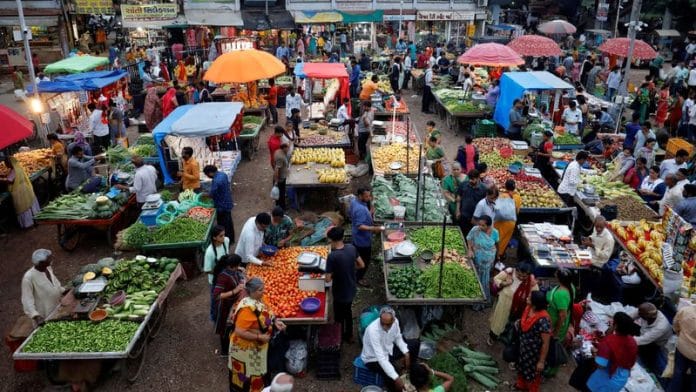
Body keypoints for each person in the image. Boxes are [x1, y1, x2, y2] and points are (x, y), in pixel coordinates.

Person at [229, 277, 286, 392]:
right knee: (249, 375)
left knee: (260, 371)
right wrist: (259, 336)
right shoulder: (246, 309)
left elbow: (268, 312)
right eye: (260, 290)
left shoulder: (260, 298)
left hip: (259, 346)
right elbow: (239, 331)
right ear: (252, 292)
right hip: (246, 348)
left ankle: (262, 387)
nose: (263, 291)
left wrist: (275, 321)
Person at [325, 226, 364, 343]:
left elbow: (327, 279)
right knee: (348, 311)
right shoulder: (351, 248)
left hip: (340, 291)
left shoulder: (332, 256)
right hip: (351, 288)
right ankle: (350, 335)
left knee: (338, 315)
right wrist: (350, 269)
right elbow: (361, 265)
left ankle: (339, 336)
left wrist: (332, 273)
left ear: (331, 240)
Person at [361, 306, 411, 392]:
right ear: (379, 318)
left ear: (393, 320)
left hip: (387, 350)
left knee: (413, 345)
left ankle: (408, 370)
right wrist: (396, 378)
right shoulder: (373, 330)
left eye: (388, 324)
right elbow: (381, 358)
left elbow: (398, 338)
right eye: (382, 323)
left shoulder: (395, 323)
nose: (384, 327)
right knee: (392, 374)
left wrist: (406, 353)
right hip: (373, 358)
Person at [586, 312, 639, 392]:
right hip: (621, 380)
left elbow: (601, 366)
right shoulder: (632, 341)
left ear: (615, 325)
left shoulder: (608, 342)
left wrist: (594, 353)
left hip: (604, 381)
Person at [489, 262, 538, 344]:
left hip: (519, 308)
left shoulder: (531, 281)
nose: (521, 277)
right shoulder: (509, 272)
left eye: (524, 276)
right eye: (519, 275)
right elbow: (496, 279)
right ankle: (493, 337)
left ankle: (506, 338)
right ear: (516, 270)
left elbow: (535, 293)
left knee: (512, 324)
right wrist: (505, 283)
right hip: (504, 303)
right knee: (499, 321)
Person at [514, 291, 551, 392]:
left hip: (534, 354)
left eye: (529, 298)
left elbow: (545, 343)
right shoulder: (529, 308)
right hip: (524, 349)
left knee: (532, 375)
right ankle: (521, 385)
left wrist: (541, 361)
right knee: (521, 368)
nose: (527, 298)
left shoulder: (544, 320)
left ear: (535, 303)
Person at [212, 254, 245, 356]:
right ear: (232, 266)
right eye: (237, 265)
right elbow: (217, 295)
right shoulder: (223, 277)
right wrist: (235, 291)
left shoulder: (232, 271)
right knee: (224, 328)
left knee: (230, 325)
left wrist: (239, 270)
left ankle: (231, 344)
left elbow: (237, 275)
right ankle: (224, 351)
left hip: (231, 302)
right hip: (224, 305)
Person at [545, 268, 576, 377]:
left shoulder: (560, 294)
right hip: (561, 323)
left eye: (557, 273)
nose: (555, 272)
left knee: (553, 347)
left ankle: (550, 370)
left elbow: (562, 316)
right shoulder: (570, 287)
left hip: (556, 325)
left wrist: (555, 331)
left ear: (560, 278)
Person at [22, 249, 64, 328]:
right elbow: (27, 300)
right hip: (44, 315)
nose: (51, 260)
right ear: (41, 263)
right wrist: (36, 316)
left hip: (56, 307)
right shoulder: (28, 278)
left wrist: (62, 290)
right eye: (49, 258)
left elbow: (54, 282)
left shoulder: (48, 268)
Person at [350, 188, 384, 287]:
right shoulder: (360, 209)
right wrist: (374, 228)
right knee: (365, 260)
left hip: (356, 236)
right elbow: (360, 225)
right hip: (362, 239)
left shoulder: (354, 202)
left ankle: (355, 268)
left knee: (357, 256)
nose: (369, 198)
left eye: (369, 196)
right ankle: (359, 278)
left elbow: (354, 217)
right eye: (366, 196)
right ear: (360, 196)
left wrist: (370, 212)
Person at [629, 302, 673, 374]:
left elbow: (643, 340)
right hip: (644, 333)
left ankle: (647, 366)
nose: (638, 314)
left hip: (655, 343)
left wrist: (622, 340)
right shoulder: (644, 312)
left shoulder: (660, 327)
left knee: (648, 357)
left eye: (640, 314)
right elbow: (629, 317)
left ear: (647, 316)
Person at [466, 215, 498, 307]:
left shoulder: (495, 232)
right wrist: (470, 249)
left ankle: (483, 299)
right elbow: (469, 238)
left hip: (488, 259)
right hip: (478, 257)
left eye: (483, 225)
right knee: (476, 276)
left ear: (488, 225)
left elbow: (496, 244)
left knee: (485, 278)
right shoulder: (475, 230)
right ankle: (474, 298)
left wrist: (498, 256)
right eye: (479, 224)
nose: (480, 226)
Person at [1, 155, 40, 228]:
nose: (6, 165)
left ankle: (28, 223)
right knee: (30, 204)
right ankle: (35, 219)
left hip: (19, 191)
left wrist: (2, 180)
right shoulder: (19, 168)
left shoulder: (13, 171)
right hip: (26, 188)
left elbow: (9, 181)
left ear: (10, 163)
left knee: (24, 206)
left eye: (6, 163)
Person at [204, 165, 235, 241]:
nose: (208, 177)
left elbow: (212, 194)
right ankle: (231, 238)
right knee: (229, 222)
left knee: (223, 224)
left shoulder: (216, 180)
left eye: (207, 175)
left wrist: (204, 195)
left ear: (210, 173)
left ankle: (225, 240)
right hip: (227, 201)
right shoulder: (223, 174)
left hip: (221, 205)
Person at [669, 303, 696, 392]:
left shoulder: (685, 310)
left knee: (678, 372)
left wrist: (682, 336)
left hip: (682, 347)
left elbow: (676, 325)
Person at [456, 169, 487, 235]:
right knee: (461, 233)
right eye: (469, 179)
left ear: (478, 178)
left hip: (475, 218)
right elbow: (459, 197)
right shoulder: (464, 184)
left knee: (472, 236)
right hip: (463, 216)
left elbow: (485, 204)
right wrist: (458, 210)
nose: (470, 181)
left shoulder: (484, 189)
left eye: (473, 179)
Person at [495, 179, 522, 255]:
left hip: (498, 221)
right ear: (514, 187)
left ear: (505, 187)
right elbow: (517, 212)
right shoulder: (517, 197)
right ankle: (499, 254)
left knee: (496, 237)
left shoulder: (500, 195)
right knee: (504, 240)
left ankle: (493, 253)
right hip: (510, 223)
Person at [273, 143, 290, 209]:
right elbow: (277, 169)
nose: (289, 149)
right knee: (281, 194)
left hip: (282, 176)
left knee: (281, 193)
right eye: (288, 147)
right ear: (284, 148)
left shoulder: (278, 151)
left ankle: (280, 206)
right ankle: (282, 208)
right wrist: (276, 182)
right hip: (280, 178)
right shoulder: (280, 157)